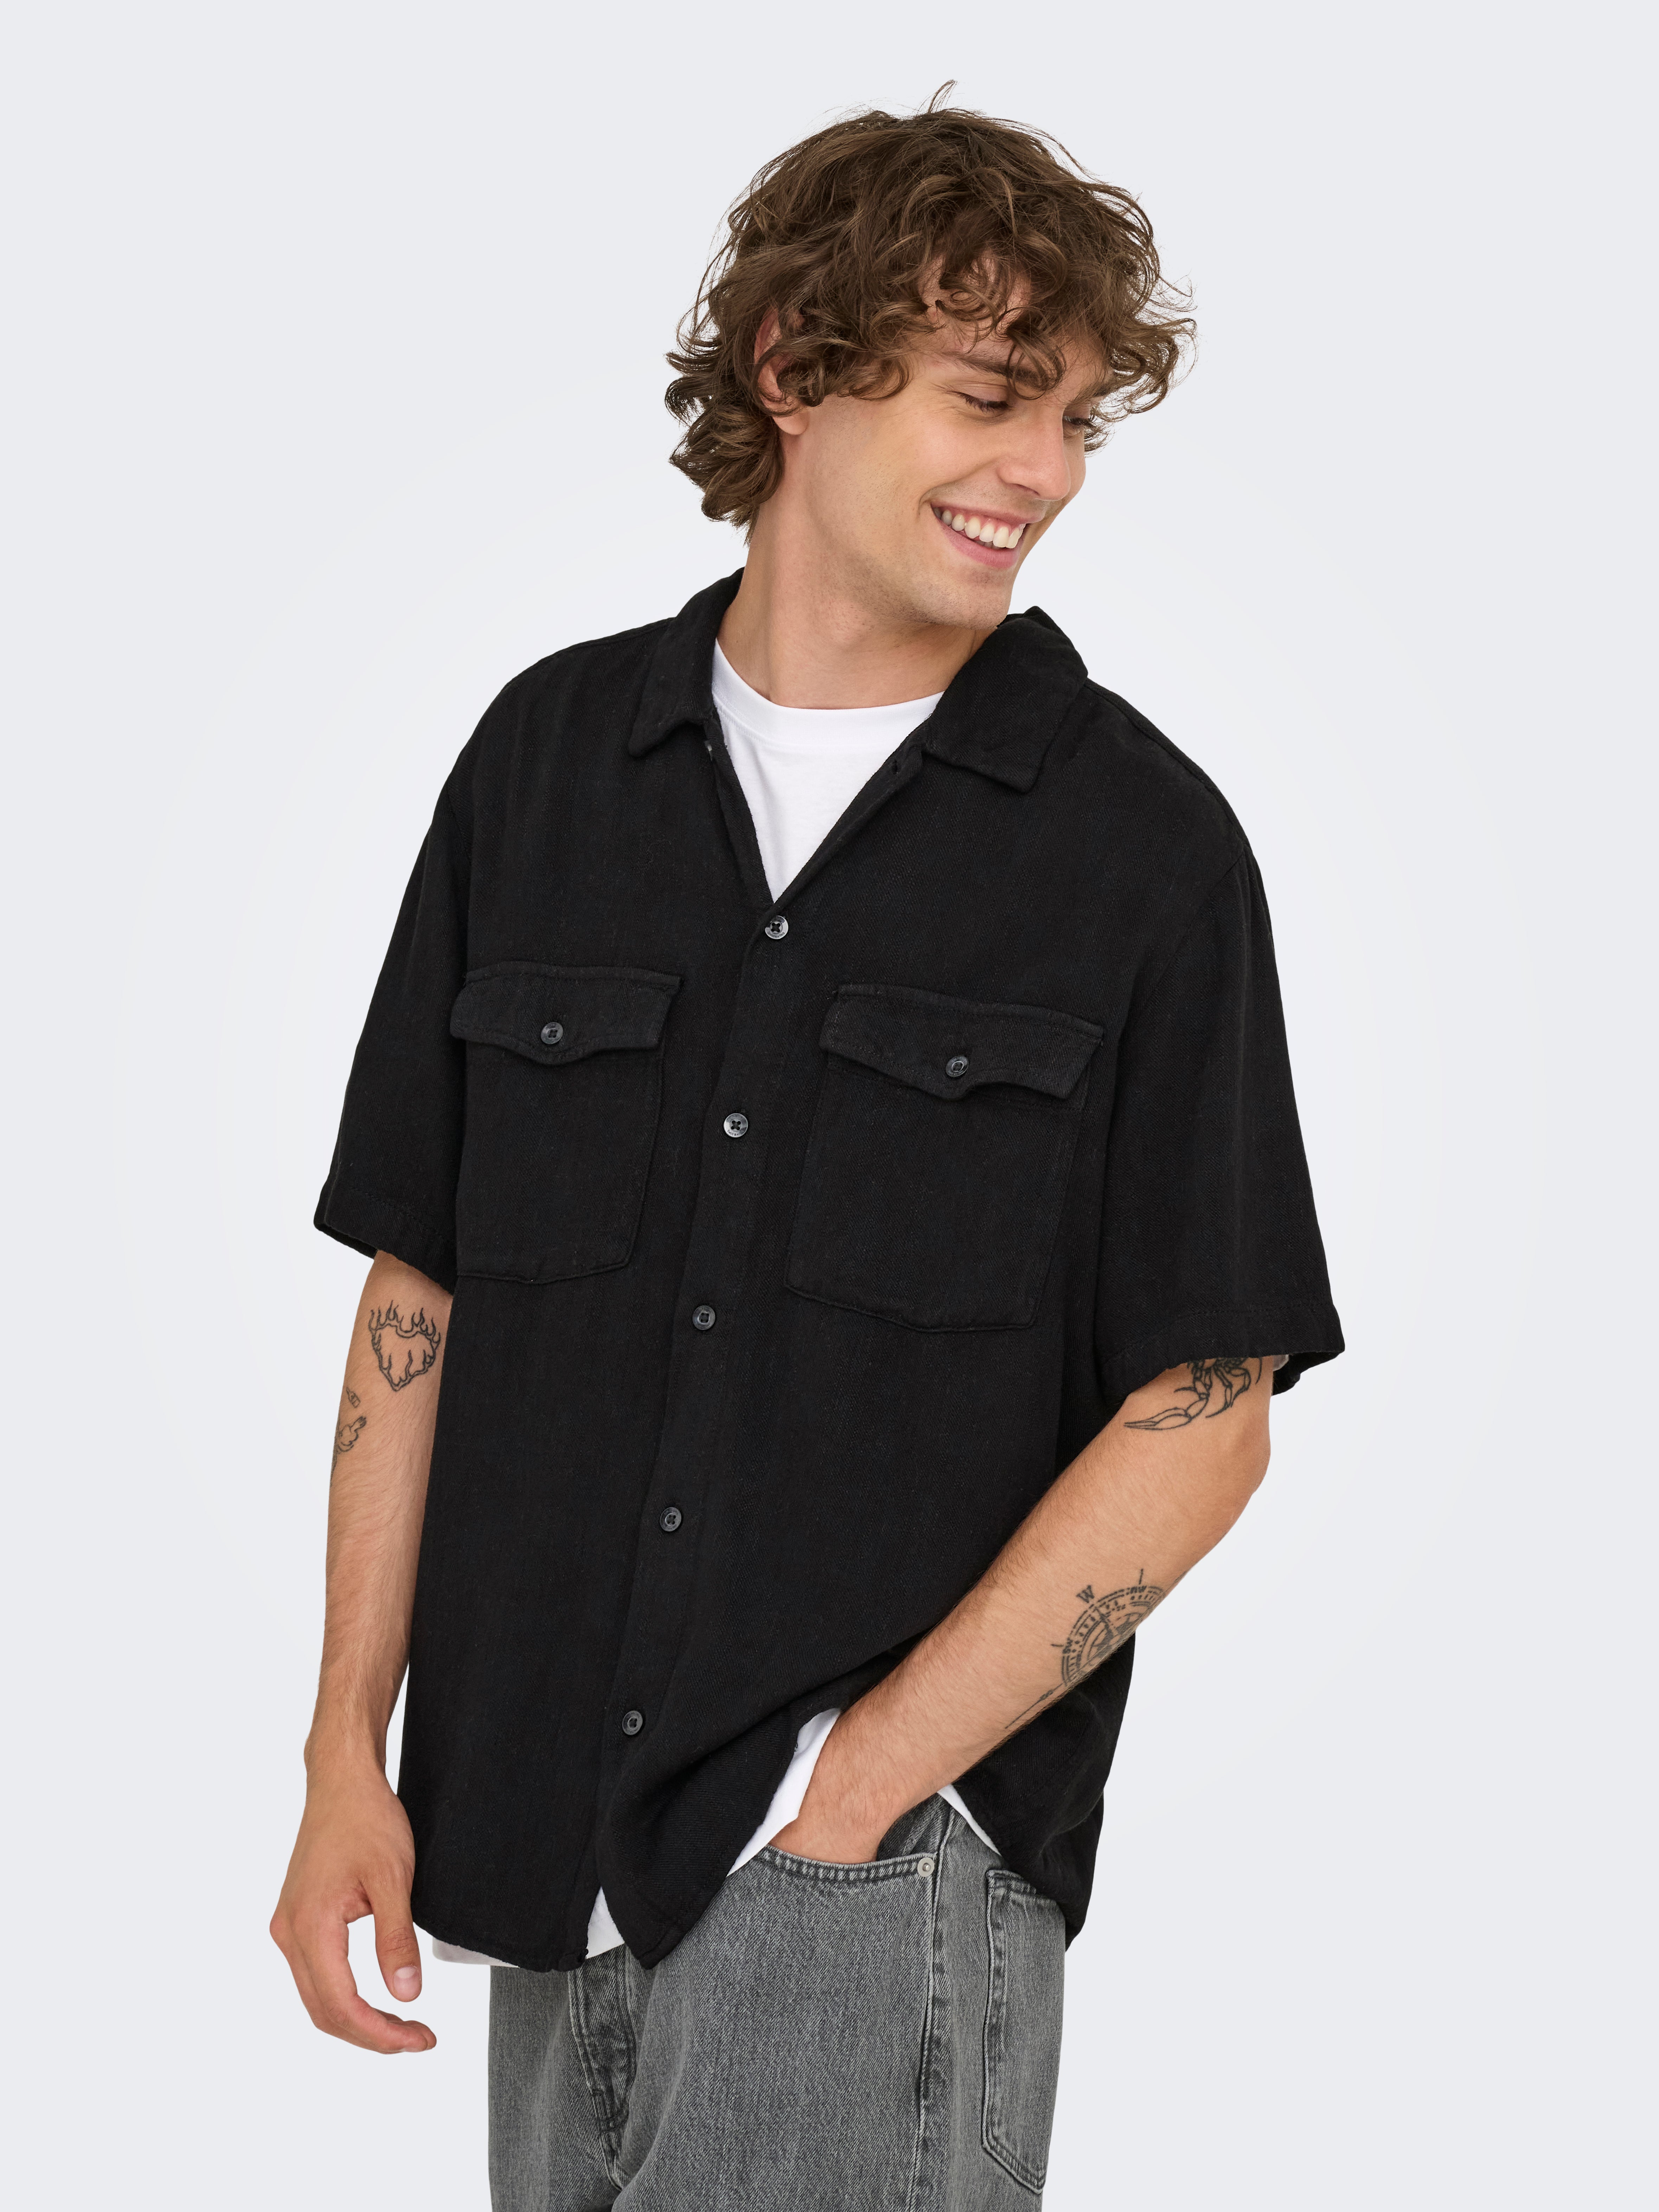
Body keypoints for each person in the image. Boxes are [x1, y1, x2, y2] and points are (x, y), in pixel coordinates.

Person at [271, 96, 1343, 2211]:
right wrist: (340, 1755)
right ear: (792, 369)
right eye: (987, 397)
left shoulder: (1138, 852)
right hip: (532, 1871)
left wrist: (850, 1798)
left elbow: (1208, 1412)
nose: (1043, 471)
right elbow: (422, 1291)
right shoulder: (548, 769)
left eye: (1073, 420)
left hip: (872, 1892)